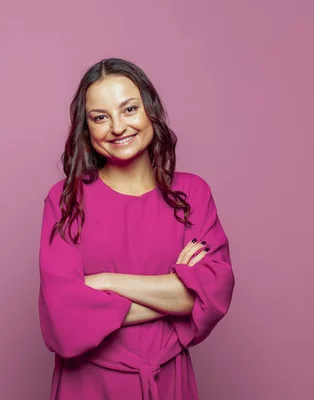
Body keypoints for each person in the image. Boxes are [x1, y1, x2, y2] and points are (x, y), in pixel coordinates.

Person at [38, 58, 235, 400]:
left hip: (170, 380)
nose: (117, 127)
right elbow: (62, 317)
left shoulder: (192, 194)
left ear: (150, 112)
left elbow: (214, 295)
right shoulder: (66, 201)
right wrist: (178, 293)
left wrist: (106, 284)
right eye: (100, 117)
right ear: (87, 128)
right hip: (90, 385)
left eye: (129, 109)